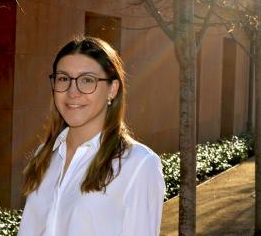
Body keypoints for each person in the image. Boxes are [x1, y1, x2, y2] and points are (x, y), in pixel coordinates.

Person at [17, 36, 165, 236]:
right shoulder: (43, 156)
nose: (72, 91)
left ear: (112, 89)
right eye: (63, 79)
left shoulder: (138, 164)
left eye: (87, 80)